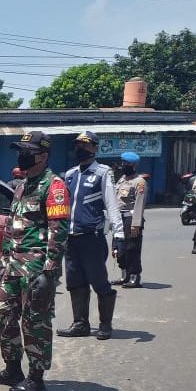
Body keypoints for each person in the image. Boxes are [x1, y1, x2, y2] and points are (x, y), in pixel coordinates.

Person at [0, 131, 70, 391]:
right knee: (2, 315)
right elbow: (11, 227)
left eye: (27, 151)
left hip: (36, 269)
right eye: (20, 151)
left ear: (43, 155)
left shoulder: (54, 186)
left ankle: (36, 378)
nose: (22, 156)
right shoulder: (21, 186)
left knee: (35, 322)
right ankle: (12, 368)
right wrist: (3, 262)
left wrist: (50, 271)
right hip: (12, 265)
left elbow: (60, 231)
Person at [56, 132, 124, 341]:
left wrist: (119, 234)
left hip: (92, 238)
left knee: (99, 281)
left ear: (95, 148)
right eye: (77, 145)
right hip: (71, 237)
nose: (80, 149)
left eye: (85, 145)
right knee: (75, 281)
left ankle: (105, 324)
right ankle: (80, 324)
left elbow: (112, 204)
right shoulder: (70, 174)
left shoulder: (103, 173)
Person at [112, 152, 147, 288]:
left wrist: (136, 223)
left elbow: (140, 203)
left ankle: (134, 277)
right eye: (123, 163)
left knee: (132, 248)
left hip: (131, 218)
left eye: (126, 164)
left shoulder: (139, 182)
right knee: (118, 248)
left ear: (133, 165)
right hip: (119, 218)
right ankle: (124, 275)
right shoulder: (122, 179)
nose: (123, 166)